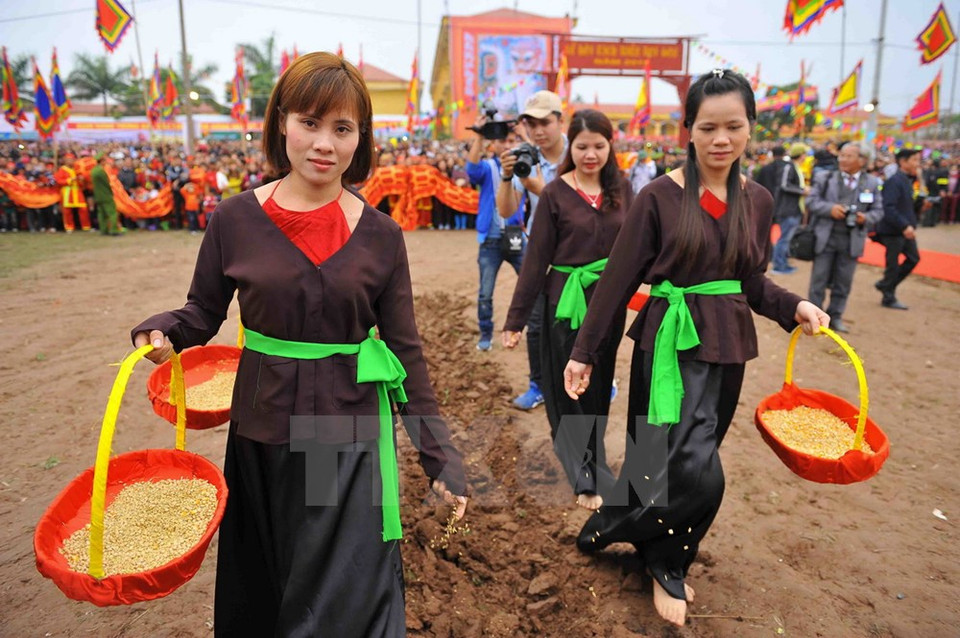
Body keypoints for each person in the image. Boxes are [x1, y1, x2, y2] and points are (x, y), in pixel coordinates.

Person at [129, 52, 468, 637]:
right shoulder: (233, 220)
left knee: (344, 596)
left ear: (359, 139)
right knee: (270, 584)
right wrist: (166, 330)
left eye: (342, 128)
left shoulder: (382, 236)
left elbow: (406, 352)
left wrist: (439, 454)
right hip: (264, 430)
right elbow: (202, 312)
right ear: (281, 122)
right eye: (310, 122)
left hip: (347, 432)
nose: (324, 143)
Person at [563, 69, 829, 627]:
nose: (721, 139)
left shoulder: (757, 199)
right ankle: (666, 563)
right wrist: (584, 352)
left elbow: (753, 281)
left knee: (687, 457)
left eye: (734, 126)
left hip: (728, 343)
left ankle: (618, 526)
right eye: (708, 127)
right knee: (682, 462)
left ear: (751, 128)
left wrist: (793, 306)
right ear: (688, 129)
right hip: (667, 342)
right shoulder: (659, 195)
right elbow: (617, 279)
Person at [502, 109, 632, 511]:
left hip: (608, 305)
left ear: (610, 146)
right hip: (562, 303)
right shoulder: (557, 193)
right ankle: (583, 477)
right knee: (566, 392)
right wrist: (516, 320)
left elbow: (639, 246)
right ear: (570, 148)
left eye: (598, 146)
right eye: (582, 146)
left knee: (597, 389)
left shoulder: (623, 190)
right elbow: (536, 258)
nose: (590, 154)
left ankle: (594, 463)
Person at [497, 90, 569, 410]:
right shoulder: (527, 156)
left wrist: (543, 191)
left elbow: (589, 207)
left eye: (545, 122)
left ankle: (597, 377)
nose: (538, 130)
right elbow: (505, 210)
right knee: (537, 324)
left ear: (559, 121)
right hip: (540, 253)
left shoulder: (579, 152)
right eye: (531, 123)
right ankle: (538, 384)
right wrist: (506, 176)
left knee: (579, 321)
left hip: (579, 254)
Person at [804, 142, 883, 333]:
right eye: (841, 155)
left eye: (849, 156)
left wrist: (865, 218)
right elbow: (811, 201)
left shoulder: (872, 183)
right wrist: (830, 209)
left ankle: (836, 317)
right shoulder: (825, 177)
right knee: (818, 281)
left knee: (843, 282)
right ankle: (814, 317)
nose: (843, 159)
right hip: (826, 237)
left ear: (862, 160)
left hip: (852, 240)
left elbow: (879, 211)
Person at [466, 119, 525, 351]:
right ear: (494, 144)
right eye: (503, 141)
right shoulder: (489, 167)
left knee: (531, 287)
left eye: (512, 140)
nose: (508, 145)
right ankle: (486, 334)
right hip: (490, 239)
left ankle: (533, 329)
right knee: (485, 293)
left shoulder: (524, 168)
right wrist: (480, 135)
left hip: (515, 235)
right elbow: (471, 169)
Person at [875, 148, 923, 310]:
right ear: (903, 161)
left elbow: (907, 206)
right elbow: (888, 207)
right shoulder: (894, 181)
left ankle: (885, 285)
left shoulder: (909, 180)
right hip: (893, 230)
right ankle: (888, 296)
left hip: (905, 229)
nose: (917, 164)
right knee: (893, 265)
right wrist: (904, 225)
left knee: (913, 258)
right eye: (914, 160)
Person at [770, 142, 808, 274]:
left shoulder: (795, 167)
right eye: (804, 154)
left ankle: (783, 263)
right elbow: (784, 184)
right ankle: (778, 265)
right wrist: (802, 191)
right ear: (800, 154)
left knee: (787, 238)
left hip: (794, 208)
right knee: (784, 238)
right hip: (787, 209)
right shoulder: (789, 167)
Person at [54, 153, 91, 232]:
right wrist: (70, 180)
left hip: (77, 190)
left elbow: (82, 181)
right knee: (67, 210)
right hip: (67, 191)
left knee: (83, 208)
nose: (70, 161)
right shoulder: (62, 169)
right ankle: (69, 227)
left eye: (71, 160)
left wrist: (81, 180)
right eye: (68, 160)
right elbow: (58, 181)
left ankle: (86, 226)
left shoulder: (76, 169)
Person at [90, 153, 120, 236]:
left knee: (102, 214)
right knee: (112, 213)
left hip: (98, 195)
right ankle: (114, 230)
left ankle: (104, 230)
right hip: (105, 194)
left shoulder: (93, 170)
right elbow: (107, 183)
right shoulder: (100, 171)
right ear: (102, 161)